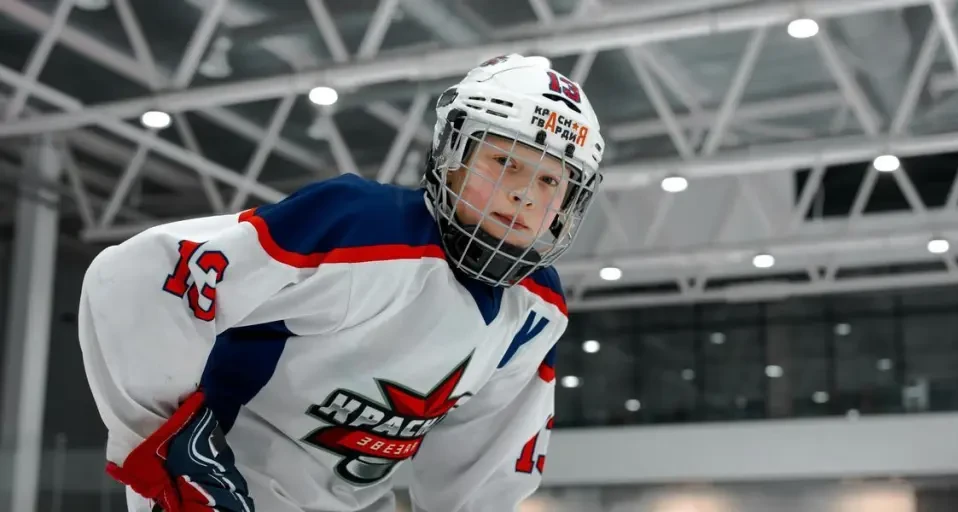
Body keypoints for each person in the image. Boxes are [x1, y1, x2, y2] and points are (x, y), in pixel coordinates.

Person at [78, 53, 604, 512]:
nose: (524, 194)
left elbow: (484, 464)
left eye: (551, 179)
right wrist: (173, 452)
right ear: (455, 153)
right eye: (505, 161)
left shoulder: (537, 310)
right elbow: (137, 279)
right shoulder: (358, 226)